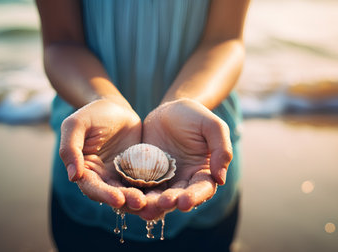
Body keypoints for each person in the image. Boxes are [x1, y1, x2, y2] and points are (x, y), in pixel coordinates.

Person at [36, 0, 249, 251]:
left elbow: (225, 40)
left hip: (197, 149)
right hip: (94, 148)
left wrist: (185, 101)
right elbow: (62, 41)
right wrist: (104, 99)